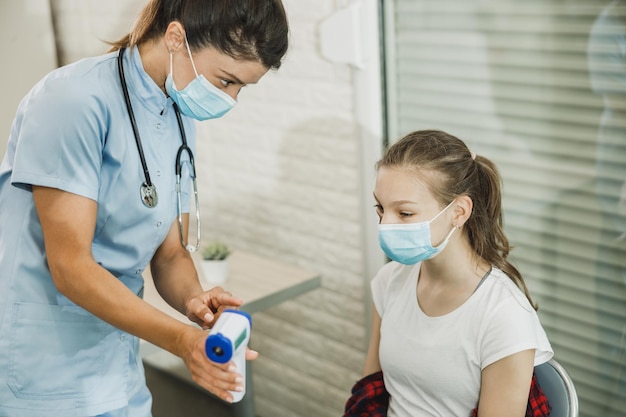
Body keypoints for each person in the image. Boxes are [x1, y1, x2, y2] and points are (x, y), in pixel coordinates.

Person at [0, 0, 288, 416]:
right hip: (44, 370)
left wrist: (194, 300)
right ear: (176, 37)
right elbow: (70, 268)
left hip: (117, 365)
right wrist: (181, 341)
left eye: (242, 87)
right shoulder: (73, 100)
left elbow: (170, 252)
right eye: (226, 81)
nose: (232, 99)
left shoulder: (176, 108)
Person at [359, 130, 553, 416]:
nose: (385, 224)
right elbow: (369, 397)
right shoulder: (389, 282)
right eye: (380, 208)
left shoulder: (504, 315)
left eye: (405, 213)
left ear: (459, 211)